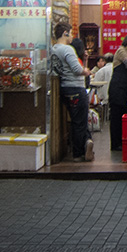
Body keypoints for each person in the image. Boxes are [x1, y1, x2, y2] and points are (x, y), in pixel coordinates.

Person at [51, 23, 93, 162]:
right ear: (64, 33)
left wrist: (84, 62)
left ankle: (84, 146)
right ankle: (78, 153)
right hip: (76, 88)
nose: (72, 36)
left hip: (64, 88)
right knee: (79, 122)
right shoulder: (67, 49)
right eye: (70, 33)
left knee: (76, 121)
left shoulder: (53, 49)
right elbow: (77, 70)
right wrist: (87, 71)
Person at [90, 52, 114, 122]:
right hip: (116, 94)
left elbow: (96, 82)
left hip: (104, 95)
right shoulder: (116, 68)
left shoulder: (102, 70)